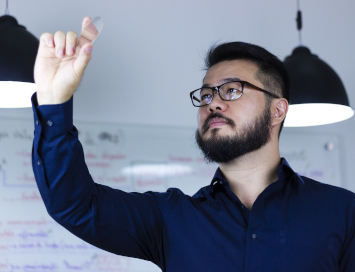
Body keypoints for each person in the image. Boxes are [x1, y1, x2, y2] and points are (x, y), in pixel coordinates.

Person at [32, 17, 355, 272]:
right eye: (206, 94)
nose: (213, 103)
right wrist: (53, 99)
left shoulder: (343, 213)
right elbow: (76, 205)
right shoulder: (171, 219)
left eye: (232, 90)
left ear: (277, 110)